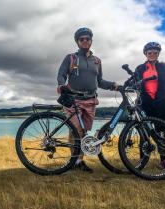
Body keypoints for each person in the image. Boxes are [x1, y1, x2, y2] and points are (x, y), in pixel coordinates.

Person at [57, 27, 118, 172]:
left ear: (91, 41)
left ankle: (79, 160)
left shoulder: (97, 61)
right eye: (81, 39)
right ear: (77, 42)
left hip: (91, 100)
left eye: (87, 39)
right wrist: (61, 84)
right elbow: (61, 74)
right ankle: (74, 162)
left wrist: (114, 85)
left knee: (84, 133)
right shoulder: (71, 58)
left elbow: (100, 81)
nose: (85, 41)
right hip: (74, 100)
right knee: (76, 129)